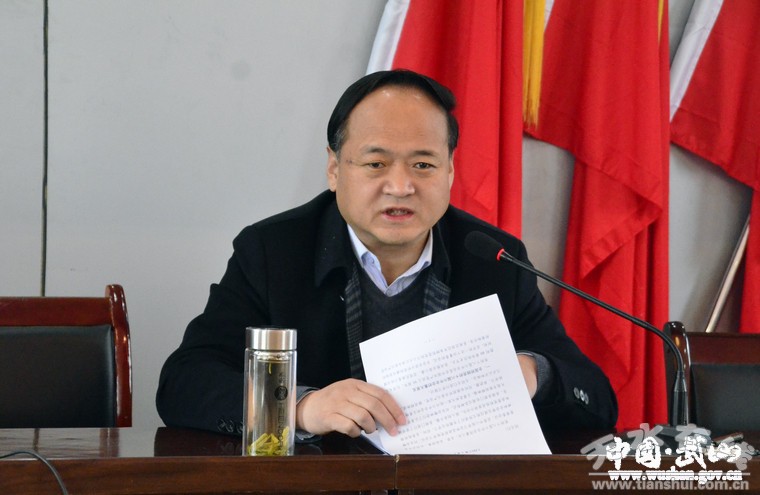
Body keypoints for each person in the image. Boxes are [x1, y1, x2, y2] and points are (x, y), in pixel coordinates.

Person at [156, 69, 617, 438]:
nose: (400, 186)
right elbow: (184, 382)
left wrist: (534, 374)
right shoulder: (273, 251)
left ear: (450, 171)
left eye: (423, 164)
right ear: (334, 169)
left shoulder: (493, 259)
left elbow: (596, 398)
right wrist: (298, 407)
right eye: (376, 164)